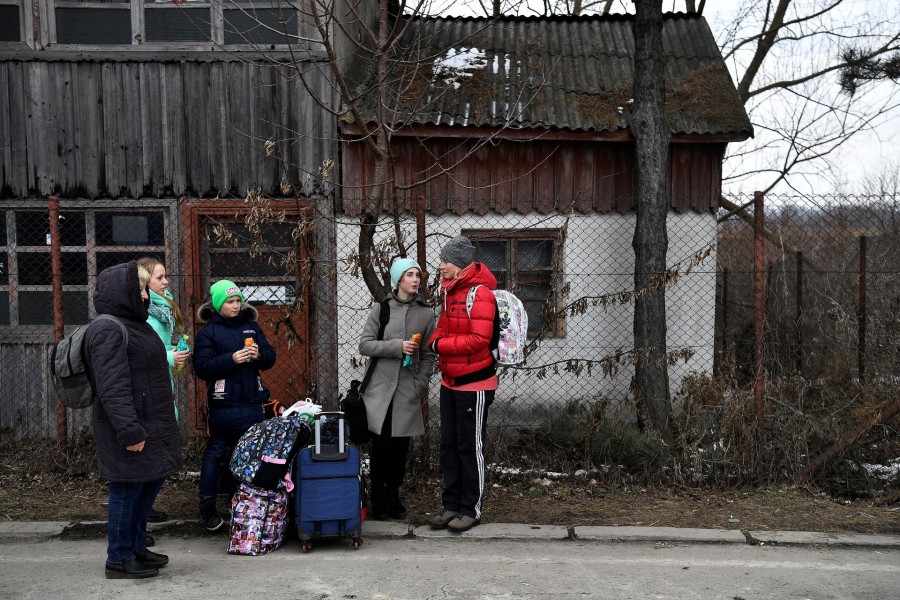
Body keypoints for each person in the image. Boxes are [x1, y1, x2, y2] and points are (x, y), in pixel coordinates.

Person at [84, 260, 183, 579]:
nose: (146, 295)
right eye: (141, 288)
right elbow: (112, 387)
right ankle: (119, 558)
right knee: (127, 490)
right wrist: (129, 431)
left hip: (151, 423)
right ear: (125, 292)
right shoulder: (108, 327)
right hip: (130, 428)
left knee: (148, 485)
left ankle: (137, 546)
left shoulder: (136, 324)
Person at [427, 235, 498, 533]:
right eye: (441, 260)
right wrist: (435, 342)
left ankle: (471, 508)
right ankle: (451, 505)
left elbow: (479, 340)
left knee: (470, 446)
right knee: (449, 446)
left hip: (475, 384)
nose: (440, 266)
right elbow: (441, 327)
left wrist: (439, 346)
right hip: (449, 381)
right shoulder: (449, 292)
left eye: (445, 261)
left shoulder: (481, 294)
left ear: (459, 264)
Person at [192, 280, 276, 532]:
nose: (236, 305)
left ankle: (242, 505)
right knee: (216, 454)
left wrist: (259, 355)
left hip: (251, 403)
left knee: (248, 456)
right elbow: (202, 367)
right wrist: (231, 359)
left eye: (238, 300)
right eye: (230, 302)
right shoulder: (208, 332)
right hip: (223, 405)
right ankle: (207, 508)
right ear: (218, 305)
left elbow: (270, 358)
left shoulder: (251, 327)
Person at [358, 258, 436, 520]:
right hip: (380, 391)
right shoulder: (381, 309)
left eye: (418, 275)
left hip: (407, 390)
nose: (416, 280)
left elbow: (427, 355)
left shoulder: (426, 313)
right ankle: (378, 495)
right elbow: (366, 345)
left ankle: (394, 494)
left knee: (401, 448)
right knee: (382, 447)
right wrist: (396, 346)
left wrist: (420, 384)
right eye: (410, 275)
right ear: (398, 280)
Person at [136, 257, 191, 526]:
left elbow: (159, 345)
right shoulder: (143, 313)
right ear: (144, 282)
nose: (166, 281)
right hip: (148, 393)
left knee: (159, 455)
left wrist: (175, 350)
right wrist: (170, 356)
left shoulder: (161, 306)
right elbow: (142, 355)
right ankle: (139, 519)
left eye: (165, 276)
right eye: (160, 278)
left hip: (161, 385)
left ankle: (145, 509)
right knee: (151, 456)